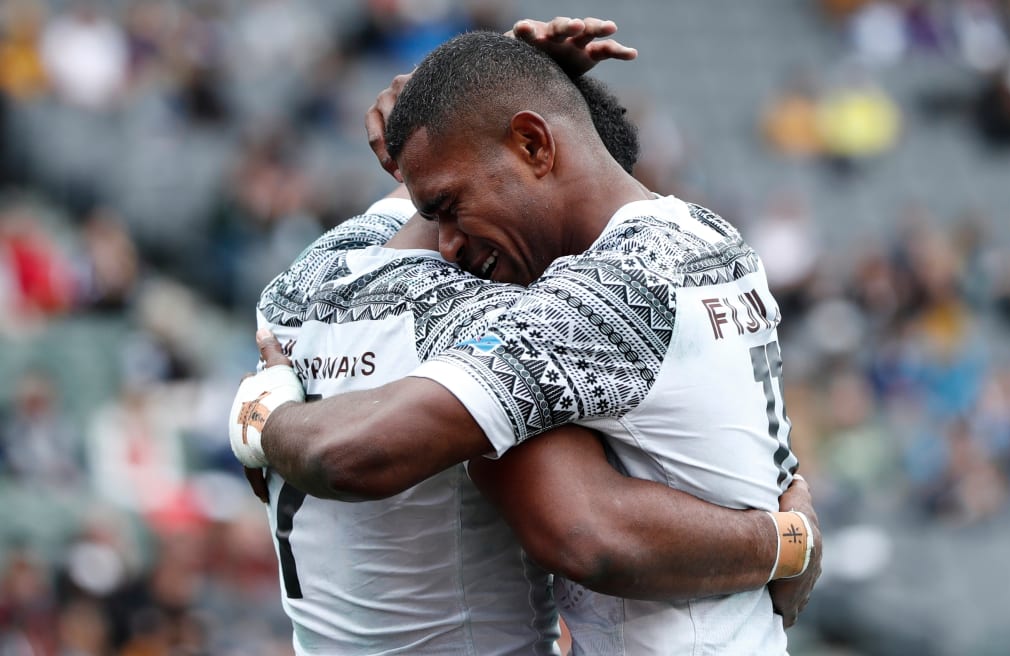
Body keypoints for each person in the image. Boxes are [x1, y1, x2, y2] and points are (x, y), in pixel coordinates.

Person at [233, 24, 818, 654]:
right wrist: (792, 541)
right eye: (433, 214)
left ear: (535, 143)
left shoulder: (597, 297)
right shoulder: (713, 240)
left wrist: (259, 415)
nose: (451, 245)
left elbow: (580, 532)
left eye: (450, 206)